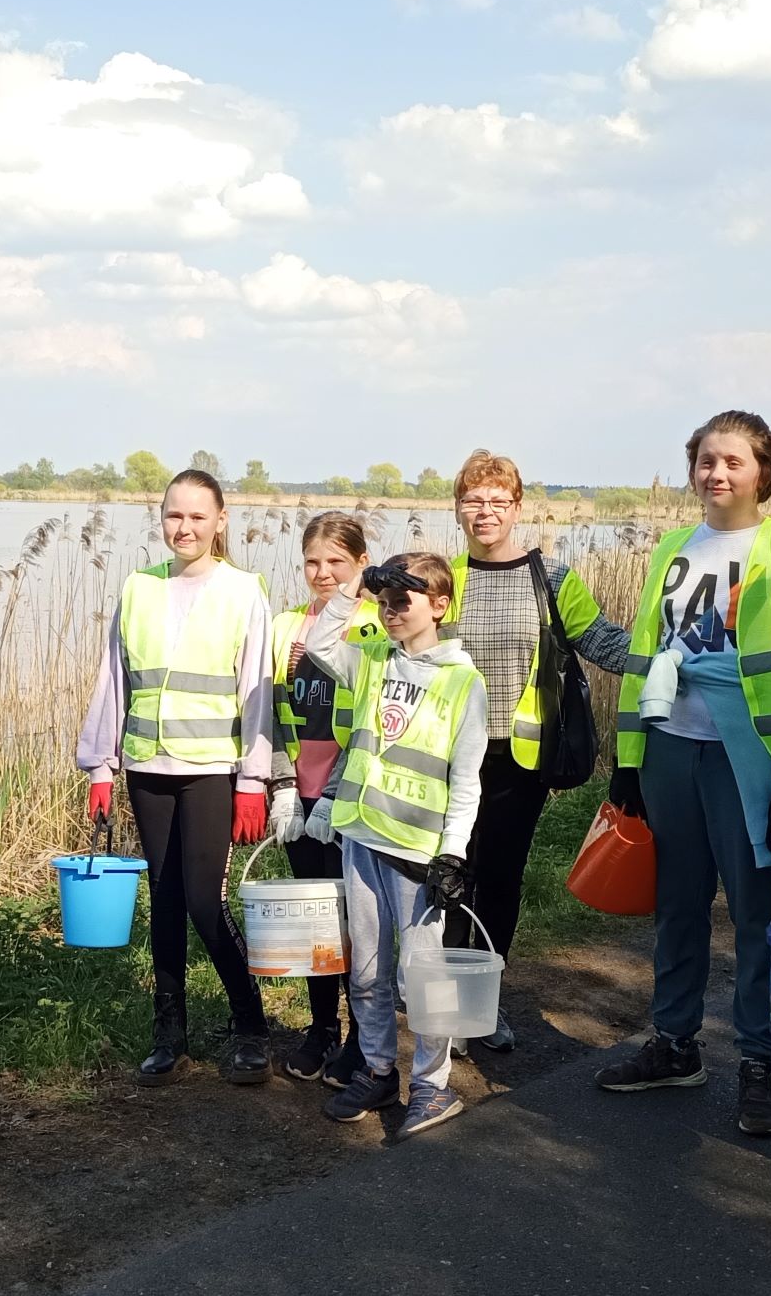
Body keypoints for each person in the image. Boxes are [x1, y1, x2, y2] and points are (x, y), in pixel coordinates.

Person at [596, 410, 771, 1136]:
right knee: (677, 903)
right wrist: (629, 759)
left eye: (732, 460)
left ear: (764, 470)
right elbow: (645, 655)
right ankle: (674, 1042)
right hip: (673, 744)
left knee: (757, 914)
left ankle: (759, 1060)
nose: (716, 473)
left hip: (752, 756)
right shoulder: (673, 546)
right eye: (705, 459)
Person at [76, 468, 275, 1087]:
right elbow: (113, 678)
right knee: (162, 901)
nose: (183, 528)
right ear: (160, 520)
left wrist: (253, 780)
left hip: (212, 769)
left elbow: (256, 693)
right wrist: (100, 764)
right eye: (173, 516)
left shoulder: (245, 592)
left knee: (200, 900)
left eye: (196, 516)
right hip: (147, 766)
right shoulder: (137, 588)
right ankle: (170, 1033)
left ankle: (249, 1026)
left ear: (219, 521)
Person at [444, 449, 631, 1054]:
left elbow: (602, 642)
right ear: (457, 508)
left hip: (518, 762)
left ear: (518, 508)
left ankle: (484, 1003)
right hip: (448, 760)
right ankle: (447, 1002)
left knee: (498, 879)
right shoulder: (445, 577)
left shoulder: (551, 579)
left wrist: (674, 658)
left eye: (499, 501)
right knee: (447, 878)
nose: (486, 512)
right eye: (474, 500)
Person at [303, 551, 488, 1138]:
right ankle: (380, 1070)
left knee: (422, 978)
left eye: (402, 601)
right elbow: (320, 641)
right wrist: (360, 581)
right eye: (383, 601)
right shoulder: (374, 661)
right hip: (361, 836)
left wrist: (453, 853)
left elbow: (466, 779)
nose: (389, 611)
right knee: (366, 971)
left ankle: (433, 1086)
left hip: (418, 854)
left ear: (440, 606)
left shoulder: (464, 682)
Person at [266, 511, 383, 1084]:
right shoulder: (283, 624)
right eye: (313, 561)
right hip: (300, 799)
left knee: (360, 926)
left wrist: (340, 795)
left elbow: (373, 718)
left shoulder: (375, 625)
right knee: (318, 923)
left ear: (361, 563)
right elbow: (268, 714)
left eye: (336, 561)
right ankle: (321, 1030)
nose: (323, 572)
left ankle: (364, 1038)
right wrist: (284, 788)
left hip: (353, 801)